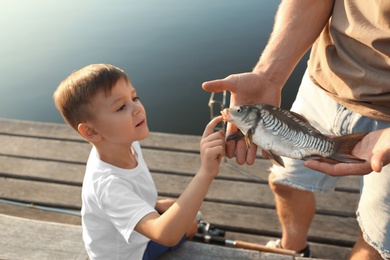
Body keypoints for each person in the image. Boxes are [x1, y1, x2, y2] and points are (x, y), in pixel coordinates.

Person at [202, 0, 390, 259]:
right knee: (285, 182)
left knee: (376, 239)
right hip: (324, 82)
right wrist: (269, 76)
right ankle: (292, 248)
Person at [53, 64, 225, 259]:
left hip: (131, 236)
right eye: (121, 107)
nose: (137, 108)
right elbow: (166, 235)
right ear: (91, 131)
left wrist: (153, 203)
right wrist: (206, 173)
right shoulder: (108, 186)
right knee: (190, 226)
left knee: (175, 210)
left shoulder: (123, 142)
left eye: (134, 98)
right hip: (129, 255)